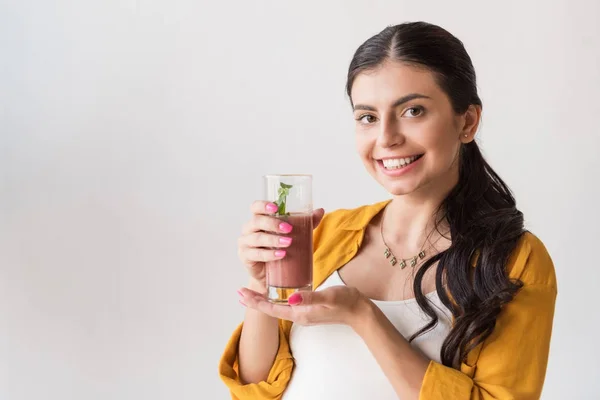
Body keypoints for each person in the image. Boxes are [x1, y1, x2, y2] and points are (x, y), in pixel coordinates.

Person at [218, 21, 557, 400]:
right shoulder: (327, 233)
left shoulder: (514, 260)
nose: (386, 138)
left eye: (413, 111)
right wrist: (264, 283)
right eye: (368, 117)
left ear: (468, 121)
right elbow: (258, 386)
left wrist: (363, 316)